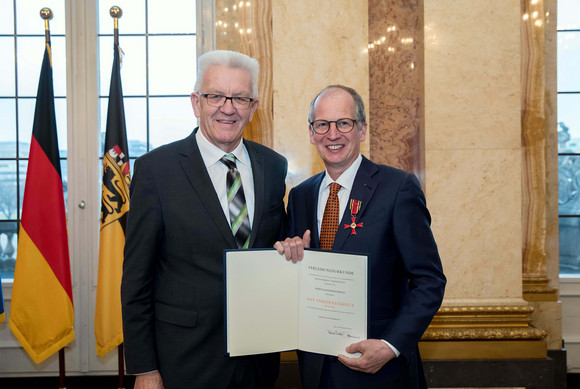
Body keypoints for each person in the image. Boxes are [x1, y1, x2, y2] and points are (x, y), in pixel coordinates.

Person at [121, 50, 287, 389]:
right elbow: (136, 279)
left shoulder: (273, 166)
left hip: (258, 360)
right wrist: (144, 369)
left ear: (253, 107)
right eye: (215, 96)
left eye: (239, 97)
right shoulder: (156, 171)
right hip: (183, 362)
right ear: (196, 102)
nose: (228, 108)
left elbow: (275, 247)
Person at [275, 85, 446, 389]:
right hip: (316, 369)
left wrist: (390, 346)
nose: (333, 134)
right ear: (312, 133)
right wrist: (289, 257)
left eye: (344, 123)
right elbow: (294, 281)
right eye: (322, 125)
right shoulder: (300, 196)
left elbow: (429, 280)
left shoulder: (398, 188)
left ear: (362, 129)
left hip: (381, 370)